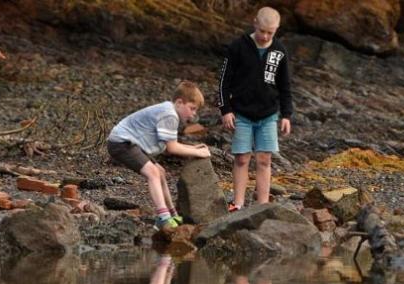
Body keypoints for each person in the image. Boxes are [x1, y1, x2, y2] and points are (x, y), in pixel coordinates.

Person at [217, 6, 294, 212]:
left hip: (269, 114)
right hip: (241, 112)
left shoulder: (279, 51)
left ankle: (263, 205)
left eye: (270, 32)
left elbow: (285, 86)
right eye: (262, 31)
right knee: (241, 158)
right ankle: (238, 203)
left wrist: (286, 115)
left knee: (264, 158)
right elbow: (224, 81)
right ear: (255, 24)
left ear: (276, 30)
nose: (265, 36)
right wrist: (226, 110)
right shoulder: (237, 47)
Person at [107, 81, 212, 230]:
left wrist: (193, 147)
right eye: (192, 108)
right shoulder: (169, 114)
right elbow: (172, 148)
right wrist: (197, 151)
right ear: (180, 102)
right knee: (153, 173)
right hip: (121, 142)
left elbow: (171, 145)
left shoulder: (170, 111)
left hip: (133, 143)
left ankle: (172, 214)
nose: (194, 114)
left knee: (161, 172)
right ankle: (163, 218)